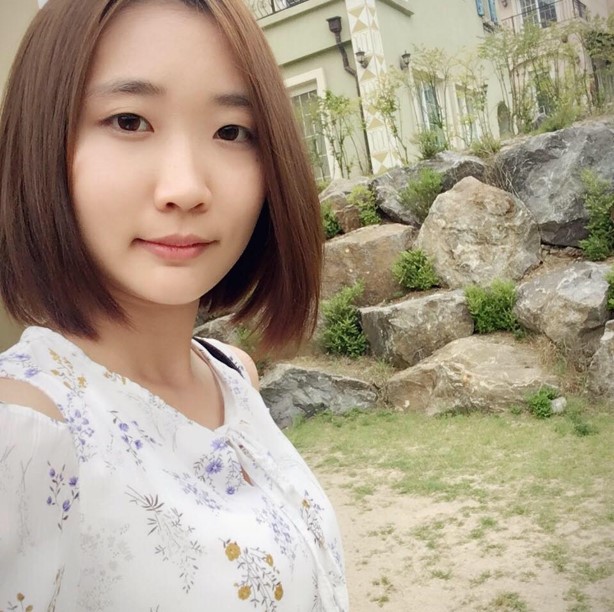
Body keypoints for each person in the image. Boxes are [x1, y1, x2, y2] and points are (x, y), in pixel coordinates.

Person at [0, 0, 348, 610]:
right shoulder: (23, 433)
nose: (186, 188)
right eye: (129, 121)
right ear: (41, 140)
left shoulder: (231, 376)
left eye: (231, 132)